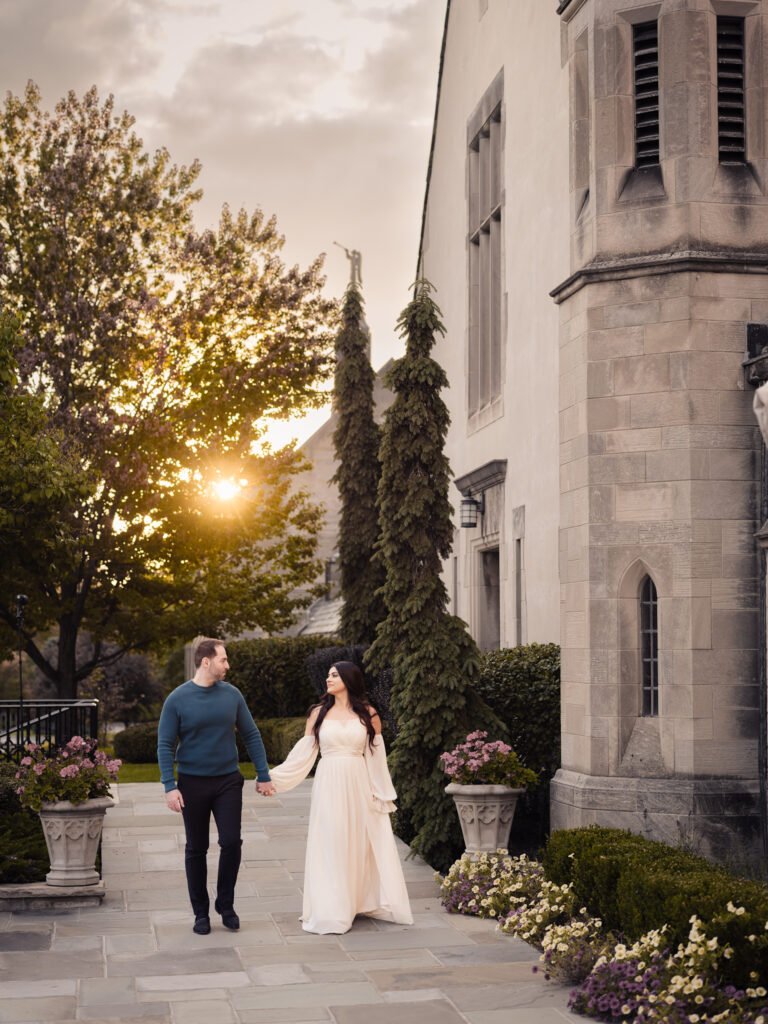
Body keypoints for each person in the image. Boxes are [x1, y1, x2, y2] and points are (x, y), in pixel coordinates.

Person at [269, 661, 413, 934]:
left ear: (349, 679)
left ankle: (356, 900)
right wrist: (274, 778)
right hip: (329, 782)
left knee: (357, 842)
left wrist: (380, 793)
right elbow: (304, 754)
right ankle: (331, 907)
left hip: (359, 782)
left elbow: (376, 757)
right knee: (331, 840)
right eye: (328, 675)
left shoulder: (368, 714)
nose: (328, 679)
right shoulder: (318, 713)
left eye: (334, 675)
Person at [157, 637, 276, 935]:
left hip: (227, 781)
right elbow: (165, 745)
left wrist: (263, 774)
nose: (228, 665)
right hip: (192, 783)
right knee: (196, 848)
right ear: (206, 661)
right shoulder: (177, 699)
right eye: (223, 659)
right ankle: (201, 913)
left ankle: (226, 904)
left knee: (231, 842)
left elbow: (251, 734)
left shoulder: (232, 695)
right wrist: (169, 786)